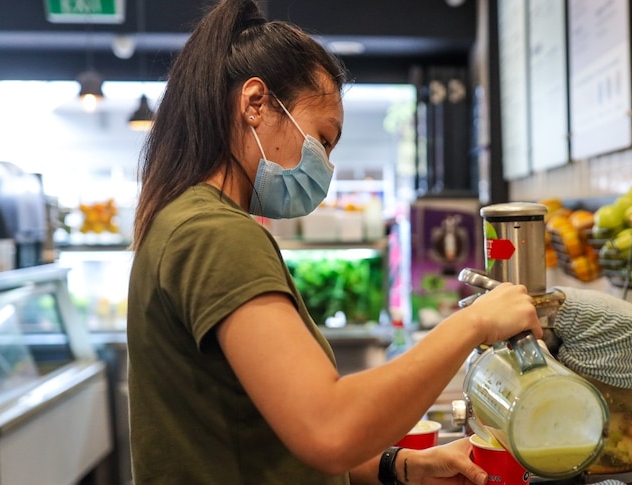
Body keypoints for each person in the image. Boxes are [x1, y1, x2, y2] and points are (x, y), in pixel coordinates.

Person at [126, 0, 542, 483]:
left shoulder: (187, 220)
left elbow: (266, 433)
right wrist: (473, 323)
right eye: (323, 140)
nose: (325, 164)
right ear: (255, 103)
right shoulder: (214, 235)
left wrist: (398, 465)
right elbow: (329, 428)